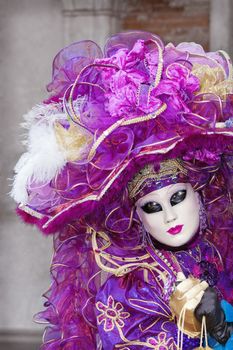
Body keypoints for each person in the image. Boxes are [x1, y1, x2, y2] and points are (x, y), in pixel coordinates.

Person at [11, 31, 233, 349]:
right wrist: (191, 329)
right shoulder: (132, 284)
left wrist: (222, 324)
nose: (170, 216)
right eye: (152, 206)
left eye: (178, 197)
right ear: (136, 215)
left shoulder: (212, 251)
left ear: (198, 194)